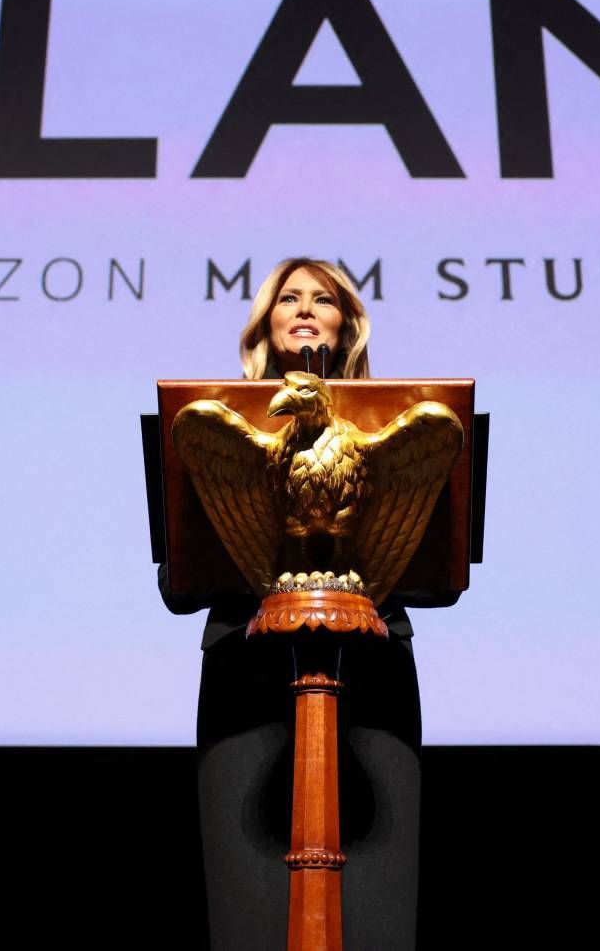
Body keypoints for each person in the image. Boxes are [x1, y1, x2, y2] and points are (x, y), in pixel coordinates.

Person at [166, 257, 422, 951]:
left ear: (347, 326)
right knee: (251, 910)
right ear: (266, 323)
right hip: (246, 677)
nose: (305, 309)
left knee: (373, 913)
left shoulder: (389, 425)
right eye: (289, 298)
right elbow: (176, 582)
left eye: (323, 299)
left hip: (370, 676)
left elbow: (438, 570)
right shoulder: (215, 421)